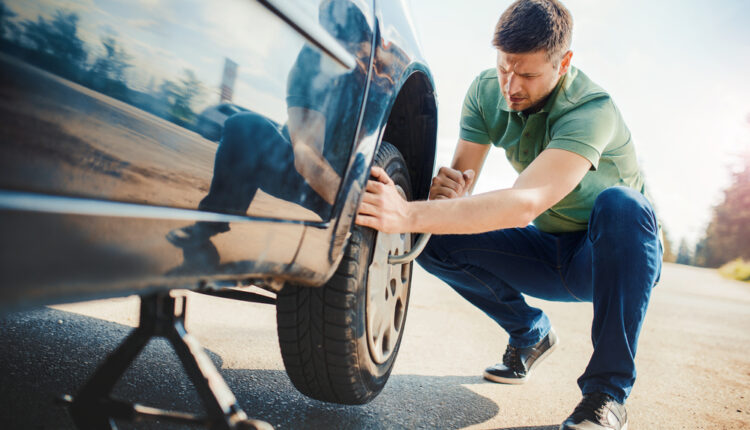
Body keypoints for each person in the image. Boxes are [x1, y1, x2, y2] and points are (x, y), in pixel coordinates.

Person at [355, 1, 662, 429]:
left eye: (528, 75)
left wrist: (404, 213)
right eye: (504, 68)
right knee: (432, 238)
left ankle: (605, 396)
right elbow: (461, 186)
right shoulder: (486, 92)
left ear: (564, 62)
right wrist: (443, 195)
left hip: (607, 256)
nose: (511, 86)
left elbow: (525, 203)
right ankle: (529, 332)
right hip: (548, 251)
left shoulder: (592, 111)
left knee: (623, 205)